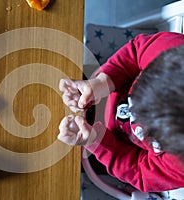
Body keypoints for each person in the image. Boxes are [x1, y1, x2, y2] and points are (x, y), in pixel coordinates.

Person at [58, 32, 184, 197]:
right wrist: (104, 81)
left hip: (110, 147)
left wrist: (95, 141)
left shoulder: (179, 167)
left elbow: (139, 172)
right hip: (105, 82)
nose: (134, 111)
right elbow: (136, 52)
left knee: (61, 173)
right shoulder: (173, 50)